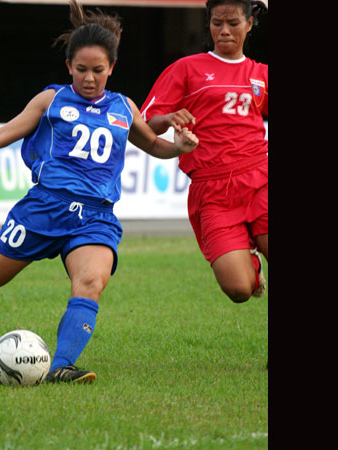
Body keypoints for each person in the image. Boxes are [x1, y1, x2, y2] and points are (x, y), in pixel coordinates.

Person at [0, 0, 199, 384]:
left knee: (91, 283)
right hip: (45, 208)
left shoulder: (123, 107)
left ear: (112, 68)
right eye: (81, 69)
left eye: (98, 70)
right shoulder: (51, 100)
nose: (89, 78)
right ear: (68, 67)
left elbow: (153, 145)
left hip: (96, 216)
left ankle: (61, 365)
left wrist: (179, 147)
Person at [140, 0, 268, 304]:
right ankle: (250, 263)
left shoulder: (260, 74)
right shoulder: (187, 68)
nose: (224, 31)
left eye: (233, 23)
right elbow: (147, 123)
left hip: (260, 179)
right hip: (212, 190)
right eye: (216, 23)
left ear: (249, 24)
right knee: (239, 289)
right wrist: (169, 118)